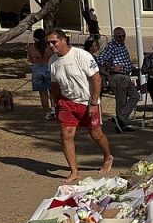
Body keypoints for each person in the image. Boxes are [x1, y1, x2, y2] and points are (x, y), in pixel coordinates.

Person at [46, 28, 113, 182]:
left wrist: (94, 103)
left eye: (53, 42)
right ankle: (74, 171)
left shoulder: (81, 55)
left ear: (63, 40)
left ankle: (108, 156)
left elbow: (96, 79)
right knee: (66, 135)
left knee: (96, 134)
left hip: (87, 101)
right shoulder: (52, 61)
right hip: (66, 102)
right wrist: (55, 104)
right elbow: (55, 85)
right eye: (48, 43)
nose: (51, 45)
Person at [98, 27, 140, 133]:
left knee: (135, 96)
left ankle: (120, 119)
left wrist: (132, 67)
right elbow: (100, 59)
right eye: (119, 36)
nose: (122, 38)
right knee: (121, 101)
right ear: (114, 37)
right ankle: (121, 125)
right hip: (117, 76)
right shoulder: (111, 46)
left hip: (126, 75)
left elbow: (125, 60)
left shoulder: (122, 46)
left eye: (123, 36)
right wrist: (112, 68)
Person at [27, 28, 54, 119]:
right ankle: (54, 109)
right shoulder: (49, 47)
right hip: (49, 67)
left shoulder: (31, 47)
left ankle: (47, 112)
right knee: (53, 91)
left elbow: (30, 60)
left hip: (37, 68)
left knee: (43, 93)